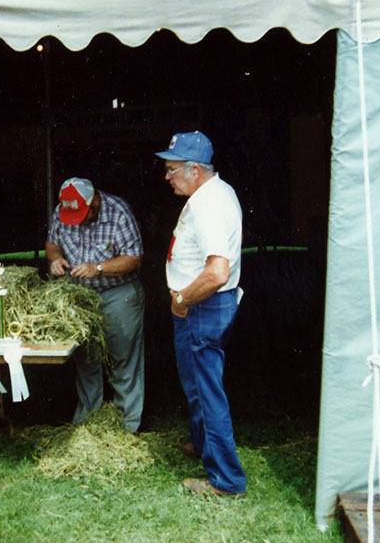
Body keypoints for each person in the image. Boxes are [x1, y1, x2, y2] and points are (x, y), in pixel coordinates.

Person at [156, 131, 246, 498]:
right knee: (197, 383)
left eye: (172, 169)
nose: (167, 177)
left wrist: (183, 298)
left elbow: (217, 272)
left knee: (207, 391)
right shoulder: (215, 193)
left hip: (202, 305)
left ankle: (226, 480)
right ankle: (202, 444)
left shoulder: (207, 205)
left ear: (194, 170)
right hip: (206, 305)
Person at [46, 177, 145, 433]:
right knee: (86, 359)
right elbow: (52, 243)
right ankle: (88, 422)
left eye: (81, 213)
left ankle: (127, 426)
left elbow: (134, 259)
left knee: (123, 359)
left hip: (117, 293)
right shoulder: (62, 209)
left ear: (95, 201)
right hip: (80, 297)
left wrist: (98, 268)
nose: (76, 220)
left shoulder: (118, 212)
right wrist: (56, 259)